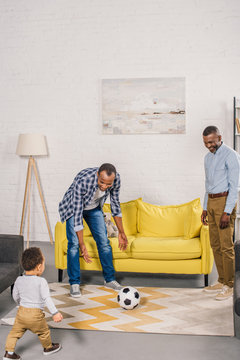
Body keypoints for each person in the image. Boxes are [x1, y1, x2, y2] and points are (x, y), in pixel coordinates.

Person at [59, 163, 128, 297]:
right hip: (73, 208)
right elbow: (77, 214)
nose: (104, 186)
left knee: (104, 242)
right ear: (97, 175)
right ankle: (74, 283)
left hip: (94, 208)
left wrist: (121, 232)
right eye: (102, 182)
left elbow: (115, 206)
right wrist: (82, 244)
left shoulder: (116, 179)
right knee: (73, 245)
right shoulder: (83, 182)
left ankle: (109, 279)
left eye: (108, 184)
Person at [201, 126, 240, 300]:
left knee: (226, 246)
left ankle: (230, 285)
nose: (209, 145)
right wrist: (204, 207)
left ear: (219, 137)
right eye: (206, 142)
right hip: (211, 201)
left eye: (211, 141)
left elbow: (235, 186)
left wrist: (227, 211)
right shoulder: (207, 158)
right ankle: (222, 279)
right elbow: (207, 184)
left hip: (224, 202)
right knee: (215, 244)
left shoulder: (231, 155)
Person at [3, 247, 63, 360]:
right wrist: (55, 313)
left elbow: (15, 295)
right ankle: (48, 348)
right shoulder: (41, 282)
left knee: (14, 333)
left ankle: (9, 354)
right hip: (36, 316)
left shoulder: (19, 280)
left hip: (21, 313)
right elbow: (47, 299)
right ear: (39, 266)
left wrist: (21, 303)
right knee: (44, 331)